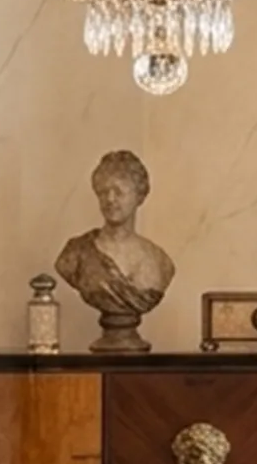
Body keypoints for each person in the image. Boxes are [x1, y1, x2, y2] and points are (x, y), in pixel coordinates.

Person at [54, 149, 175, 353]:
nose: (110, 199)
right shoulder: (77, 252)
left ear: (139, 196)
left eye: (119, 192)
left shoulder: (160, 261)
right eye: (103, 192)